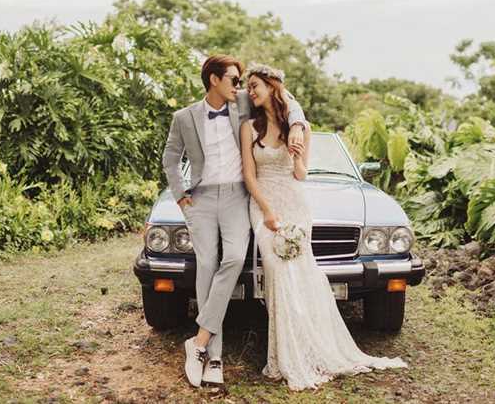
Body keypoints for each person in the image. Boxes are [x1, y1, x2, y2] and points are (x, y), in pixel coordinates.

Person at [240, 63, 407, 391]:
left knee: (302, 275)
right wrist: (268, 212)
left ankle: (307, 346)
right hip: (263, 205)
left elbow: (301, 175)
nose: (250, 91)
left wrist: (296, 155)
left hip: (295, 205)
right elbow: (248, 175)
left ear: (272, 86)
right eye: (248, 86)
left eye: (255, 85)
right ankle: (284, 354)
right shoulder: (249, 127)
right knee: (276, 272)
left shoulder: (299, 128)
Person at [162, 55, 308, 387]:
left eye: (241, 81)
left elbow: (286, 97)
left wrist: (298, 125)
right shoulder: (183, 117)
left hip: (235, 197)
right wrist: (181, 196)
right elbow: (170, 159)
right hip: (200, 199)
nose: (240, 86)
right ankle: (213, 357)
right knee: (206, 265)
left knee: (233, 258)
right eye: (233, 79)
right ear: (214, 80)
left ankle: (198, 342)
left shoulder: (241, 101)